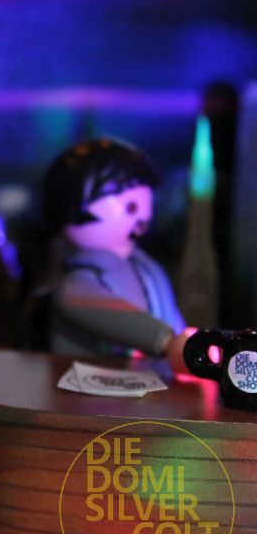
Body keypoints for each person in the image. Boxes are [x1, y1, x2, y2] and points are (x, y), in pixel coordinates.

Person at [41, 138, 192, 369]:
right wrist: (167, 342)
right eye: (130, 206)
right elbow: (89, 303)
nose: (142, 216)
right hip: (90, 381)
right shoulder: (78, 280)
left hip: (156, 378)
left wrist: (186, 343)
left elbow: (171, 316)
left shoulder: (147, 268)